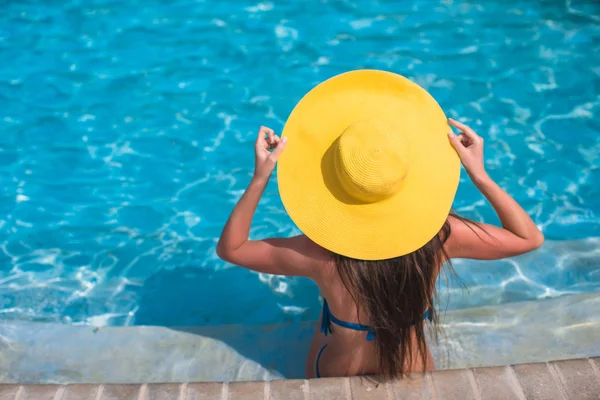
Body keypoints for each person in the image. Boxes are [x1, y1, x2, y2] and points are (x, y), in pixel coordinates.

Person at [217, 70, 543, 379]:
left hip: (334, 370)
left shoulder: (318, 254)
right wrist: (480, 176)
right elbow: (527, 238)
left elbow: (232, 249)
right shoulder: (441, 238)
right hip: (412, 370)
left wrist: (260, 177)